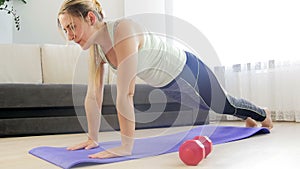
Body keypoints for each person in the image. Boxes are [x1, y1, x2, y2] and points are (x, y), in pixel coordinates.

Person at [57, 0, 273, 159]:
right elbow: (93, 95)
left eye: (72, 27)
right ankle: (248, 117)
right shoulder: (96, 50)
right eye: (65, 30)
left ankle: (262, 113)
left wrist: (126, 146)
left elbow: (126, 93)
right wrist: (93, 138)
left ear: (91, 18)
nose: (69, 36)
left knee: (222, 103)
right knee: (211, 108)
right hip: (167, 84)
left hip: (187, 69)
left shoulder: (123, 31)